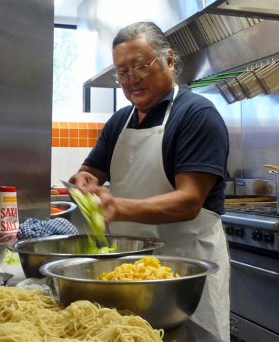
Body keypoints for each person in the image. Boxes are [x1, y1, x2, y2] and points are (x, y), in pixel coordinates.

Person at [69, 21, 230, 341]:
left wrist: (119, 208)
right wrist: (83, 181)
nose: (131, 79)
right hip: (130, 273)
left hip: (184, 275)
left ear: (169, 60)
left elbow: (188, 202)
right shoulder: (120, 121)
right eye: (122, 72)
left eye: (140, 65)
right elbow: (90, 170)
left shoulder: (196, 114)